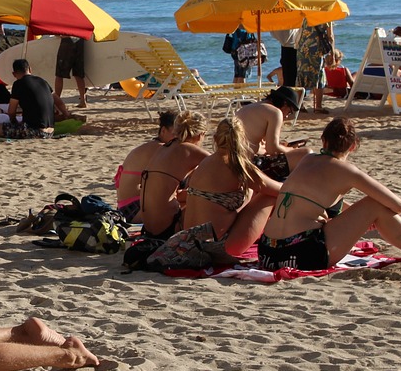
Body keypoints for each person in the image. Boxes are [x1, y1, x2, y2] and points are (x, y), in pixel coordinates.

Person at [257, 118, 401, 271]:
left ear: (323, 140)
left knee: (365, 210)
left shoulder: (306, 160)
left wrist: (357, 218)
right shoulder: (347, 171)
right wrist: (369, 217)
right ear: (353, 146)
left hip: (267, 253)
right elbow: (397, 205)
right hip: (301, 256)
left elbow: (320, 201)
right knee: (374, 205)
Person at [176, 117, 282, 259]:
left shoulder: (205, 162)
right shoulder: (237, 166)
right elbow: (279, 190)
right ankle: (282, 236)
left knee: (250, 190)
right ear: (242, 139)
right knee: (268, 196)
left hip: (189, 244)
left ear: (215, 138)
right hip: (218, 248)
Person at [137, 110, 209, 240]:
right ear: (201, 134)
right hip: (168, 228)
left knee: (193, 194)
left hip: (149, 228)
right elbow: (223, 167)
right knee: (214, 199)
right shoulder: (189, 149)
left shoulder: (164, 148)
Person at [234, 85, 310, 181]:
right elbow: (272, 149)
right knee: (306, 153)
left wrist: (283, 147)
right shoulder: (275, 112)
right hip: (249, 165)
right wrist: (292, 149)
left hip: (235, 160)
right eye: (289, 112)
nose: (286, 116)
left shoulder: (249, 107)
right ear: (285, 104)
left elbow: (255, 144)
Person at [114, 111, 178, 223]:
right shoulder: (160, 149)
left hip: (125, 207)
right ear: (163, 131)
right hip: (133, 209)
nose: (178, 139)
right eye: (175, 134)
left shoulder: (151, 146)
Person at [0, 59, 61, 139]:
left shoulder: (18, 84)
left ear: (14, 74)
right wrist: (66, 114)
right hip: (51, 131)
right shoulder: (42, 81)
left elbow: (11, 112)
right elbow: (58, 100)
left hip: (35, 131)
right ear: (30, 69)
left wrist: (14, 122)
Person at [296, 22, 334, 114]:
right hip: (317, 49)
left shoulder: (304, 13)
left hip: (303, 47)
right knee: (318, 75)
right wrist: (332, 54)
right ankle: (318, 107)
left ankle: (300, 105)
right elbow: (330, 36)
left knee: (302, 74)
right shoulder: (326, 15)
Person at [54, 37, 88, 108]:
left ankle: (56, 102)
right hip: (79, 40)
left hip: (67, 40)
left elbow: (58, 33)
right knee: (78, 73)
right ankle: (83, 101)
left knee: (59, 74)